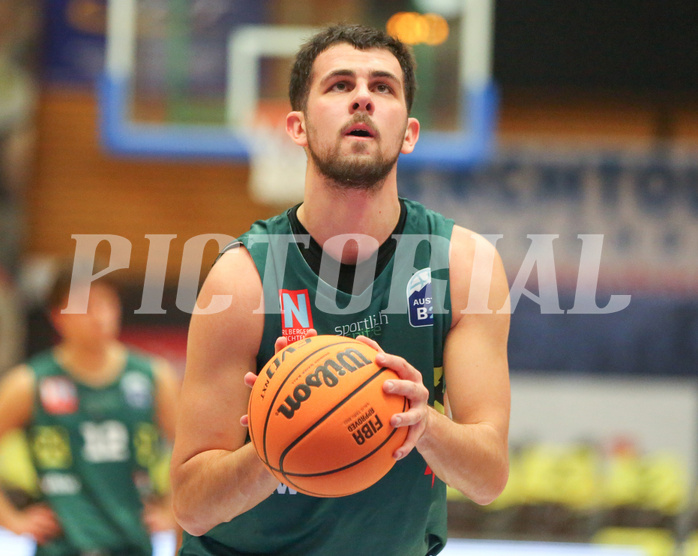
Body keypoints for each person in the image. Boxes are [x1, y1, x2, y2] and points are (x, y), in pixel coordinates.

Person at [170, 23, 510, 556]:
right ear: (297, 127)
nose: (362, 99)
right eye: (339, 85)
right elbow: (191, 505)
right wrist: (276, 444)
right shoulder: (242, 278)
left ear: (410, 131)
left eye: (383, 87)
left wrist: (424, 425)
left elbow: (488, 478)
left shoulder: (465, 266)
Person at [0, 266, 180, 555]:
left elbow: (192, 452)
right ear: (57, 315)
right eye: (86, 305)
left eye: (107, 303)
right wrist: (12, 520)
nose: (100, 315)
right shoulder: (29, 382)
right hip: (61, 546)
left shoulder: (154, 376)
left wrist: (173, 511)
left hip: (133, 545)